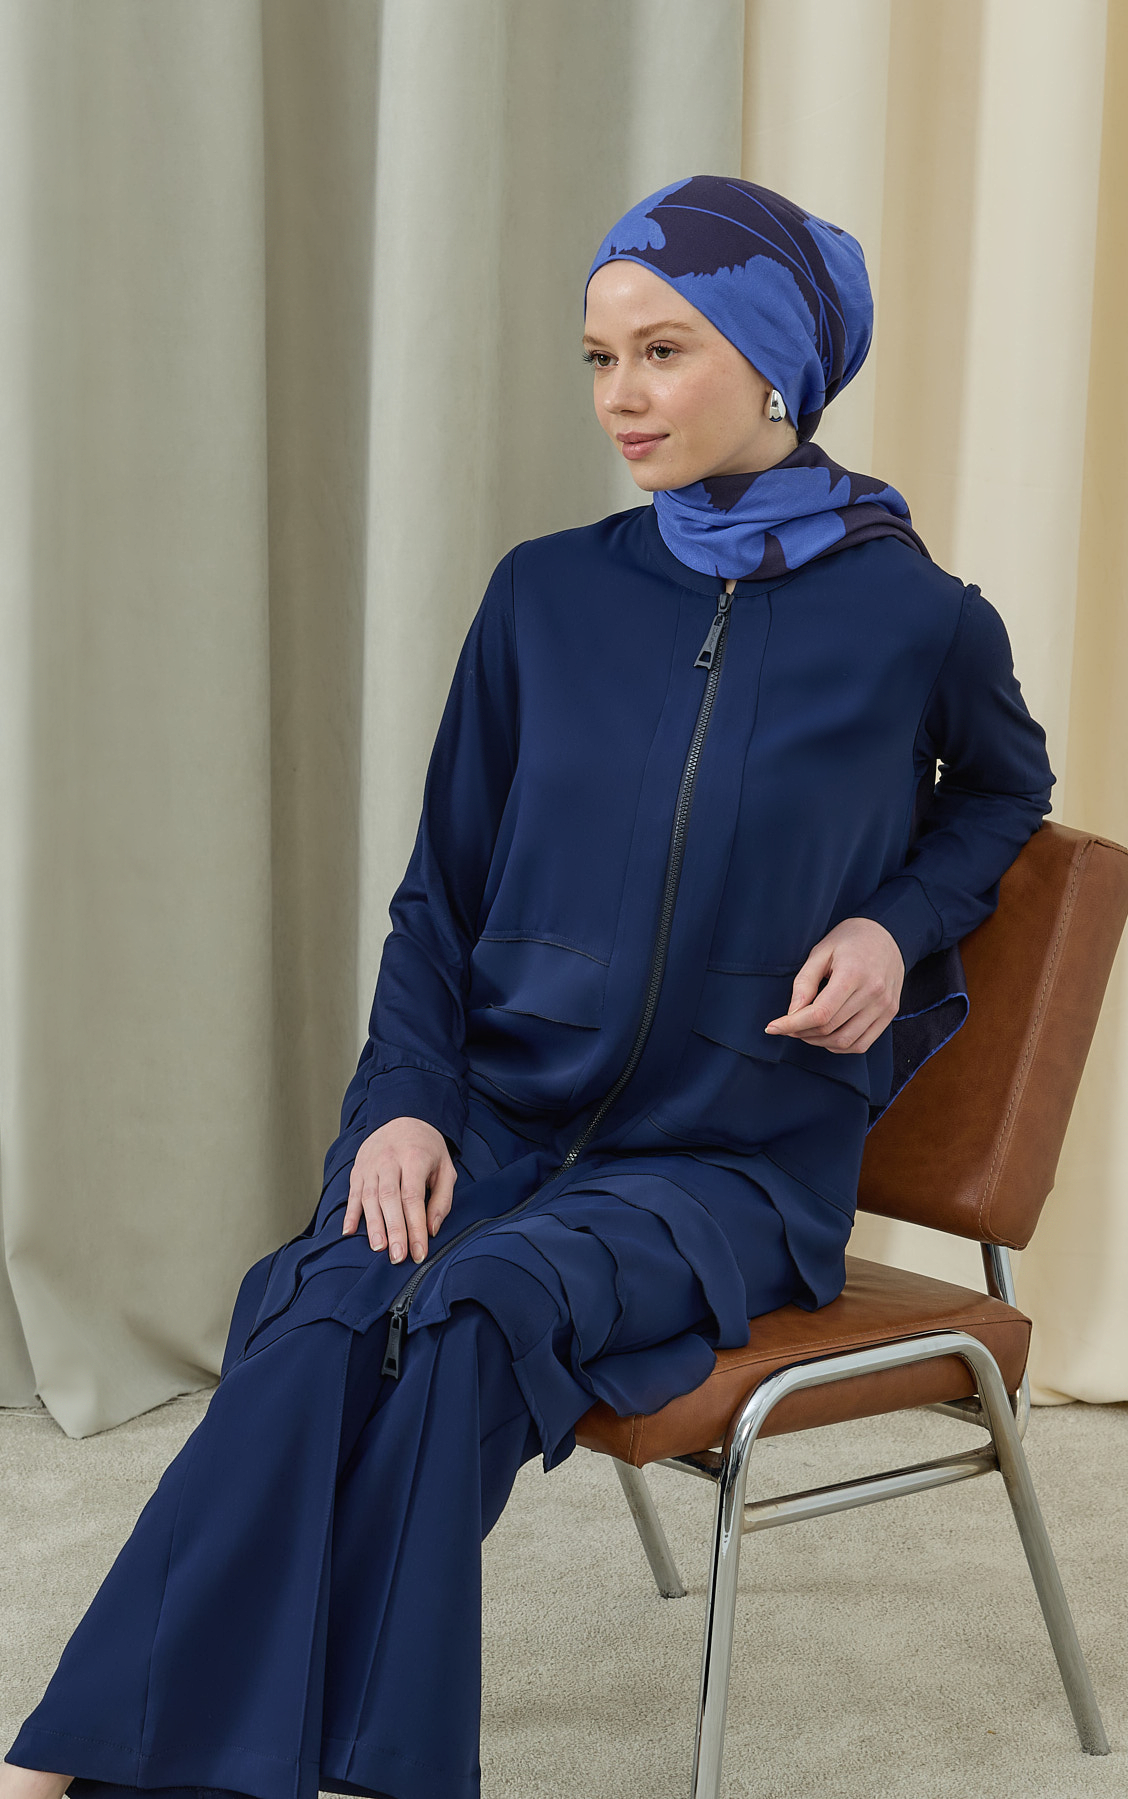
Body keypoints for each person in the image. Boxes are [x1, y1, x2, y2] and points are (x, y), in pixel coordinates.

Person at [2, 175, 1055, 1799]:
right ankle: (100, 1752)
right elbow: (442, 891)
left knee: (480, 1310)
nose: (620, 395)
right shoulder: (545, 596)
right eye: (599, 357)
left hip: (731, 1161)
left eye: (664, 351)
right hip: (500, 1111)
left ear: (777, 360)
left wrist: (893, 924)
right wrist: (402, 1106)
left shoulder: (915, 619)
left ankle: (352, 1766)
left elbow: (1003, 794)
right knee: (324, 1304)